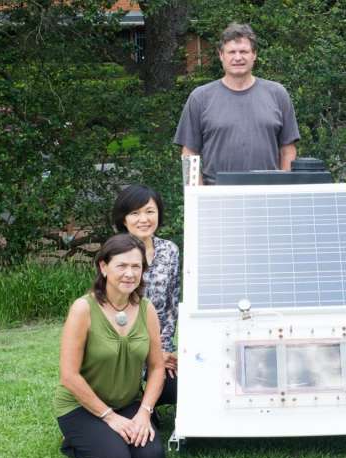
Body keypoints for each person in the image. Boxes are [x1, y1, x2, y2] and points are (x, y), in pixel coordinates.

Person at [55, 234, 165, 458]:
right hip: (81, 406)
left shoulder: (147, 310)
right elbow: (68, 375)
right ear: (104, 267)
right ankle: (71, 440)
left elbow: (157, 367)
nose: (130, 273)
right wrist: (109, 417)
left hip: (127, 403)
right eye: (122, 265)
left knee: (152, 457)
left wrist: (144, 413)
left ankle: (116, 431)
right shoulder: (83, 309)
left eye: (136, 266)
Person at [174, 22, 300, 185]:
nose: (238, 57)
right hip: (217, 198)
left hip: (267, 196)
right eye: (232, 52)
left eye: (244, 51)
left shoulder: (277, 94)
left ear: (254, 54)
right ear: (221, 55)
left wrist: (283, 191)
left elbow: (287, 150)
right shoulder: (200, 97)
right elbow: (189, 153)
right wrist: (196, 197)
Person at [112, 185, 179, 405]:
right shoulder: (114, 253)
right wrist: (149, 356)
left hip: (159, 348)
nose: (143, 219)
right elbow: (111, 313)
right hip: (122, 349)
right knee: (119, 394)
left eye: (150, 211)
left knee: (175, 388)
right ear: (124, 219)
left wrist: (164, 351)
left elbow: (171, 307)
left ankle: (148, 401)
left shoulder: (170, 250)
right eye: (135, 213)